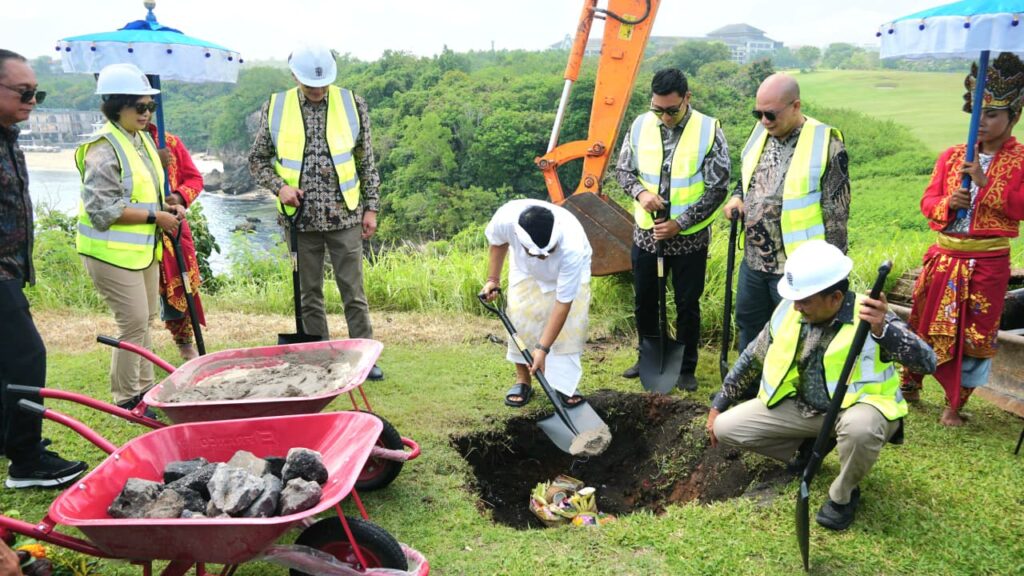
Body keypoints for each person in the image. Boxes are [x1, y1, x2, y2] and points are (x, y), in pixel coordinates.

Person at [706, 240, 936, 531]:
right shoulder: (789, 312)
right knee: (726, 428)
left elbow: (927, 362)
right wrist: (719, 405)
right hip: (804, 409)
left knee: (860, 430)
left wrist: (884, 330)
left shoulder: (871, 319)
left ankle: (843, 495)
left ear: (835, 297)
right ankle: (809, 447)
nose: (797, 306)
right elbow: (753, 356)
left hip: (856, 411)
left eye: (804, 300)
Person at [901, 53, 1024, 426]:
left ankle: (954, 404)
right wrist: (947, 203)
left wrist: (987, 186)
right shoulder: (951, 157)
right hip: (944, 257)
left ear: (1013, 116)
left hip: (987, 263)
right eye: (978, 112)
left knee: (974, 333)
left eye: (992, 114)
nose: (982, 121)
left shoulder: (1020, 162)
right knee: (922, 322)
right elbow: (927, 202)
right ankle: (910, 384)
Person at [248, 44, 383, 380]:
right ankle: (319, 358)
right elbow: (258, 160)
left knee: (353, 292)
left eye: (323, 85)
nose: (318, 92)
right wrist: (280, 187)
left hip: (346, 215)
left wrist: (372, 207)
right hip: (299, 219)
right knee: (309, 294)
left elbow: (366, 160)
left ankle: (363, 356)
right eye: (311, 86)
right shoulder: (276, 106)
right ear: (296, 77)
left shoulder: (353, 103)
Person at [0, 49, 87, 488]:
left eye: (38, 92)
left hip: (10, 269)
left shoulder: (9, 137)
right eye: (24, 92)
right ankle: (26, 461)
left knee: (7, 363)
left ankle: (12, 443)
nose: (33, 100)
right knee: (26, 358)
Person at [77, 63, 183, 412]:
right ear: (116, 106)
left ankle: (145, 389)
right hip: (108, 252)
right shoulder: (102, 149)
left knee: (145, 319)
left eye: (150, 106)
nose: (147, 112)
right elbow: (102, 210)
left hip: (140, 251)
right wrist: (157, 216)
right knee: (133, 322)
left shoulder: (140, 141)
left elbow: (144, 191)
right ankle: (126, 398)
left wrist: (168, 203)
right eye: (140, 107)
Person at [617, 68, 731, 391]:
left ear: (687, 99)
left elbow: (717, 187)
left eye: (672, 110)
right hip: (647, 236)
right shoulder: (640, 125)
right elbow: (623, 170)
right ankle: (648, 357)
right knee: (646, 302)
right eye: (659, 109)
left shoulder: (709, 131)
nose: (665, 117)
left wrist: (679, 224)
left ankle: (686, 367)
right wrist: (641, 194)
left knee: (686, 305)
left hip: (689, 241)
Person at [722, 73, 850, 354]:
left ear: (796, 105)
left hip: (798, 266)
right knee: (749, 324)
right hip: (755, 261)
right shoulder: (760, 133)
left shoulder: (826, 143)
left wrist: (831, 275)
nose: (764, 120)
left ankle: (788, 393)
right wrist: (737, 197)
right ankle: (748, 389)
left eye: (770, 114)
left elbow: (837, 213)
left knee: (794, 334)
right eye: (758, 113)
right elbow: (747, 178)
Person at [480, 199, 592, 407]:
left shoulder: (572, 246)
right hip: (524, 270)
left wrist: (542, 348)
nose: (543, 258)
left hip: (567, 271)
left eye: (549, 252)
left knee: (570, 327)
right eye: (536, 253)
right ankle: (523, 379)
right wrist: (492, 280)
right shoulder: (506, 219)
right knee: (521, 317)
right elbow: (497, 242)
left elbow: (563, 303)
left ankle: (564, 385)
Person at [147, 122, 206, 362]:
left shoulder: (169, 142)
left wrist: (179, 196)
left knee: (180, 282)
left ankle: (185, 343)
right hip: (137, 228)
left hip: (172, 227)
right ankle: (140, 347)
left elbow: (194, 179)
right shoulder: (119, 146)